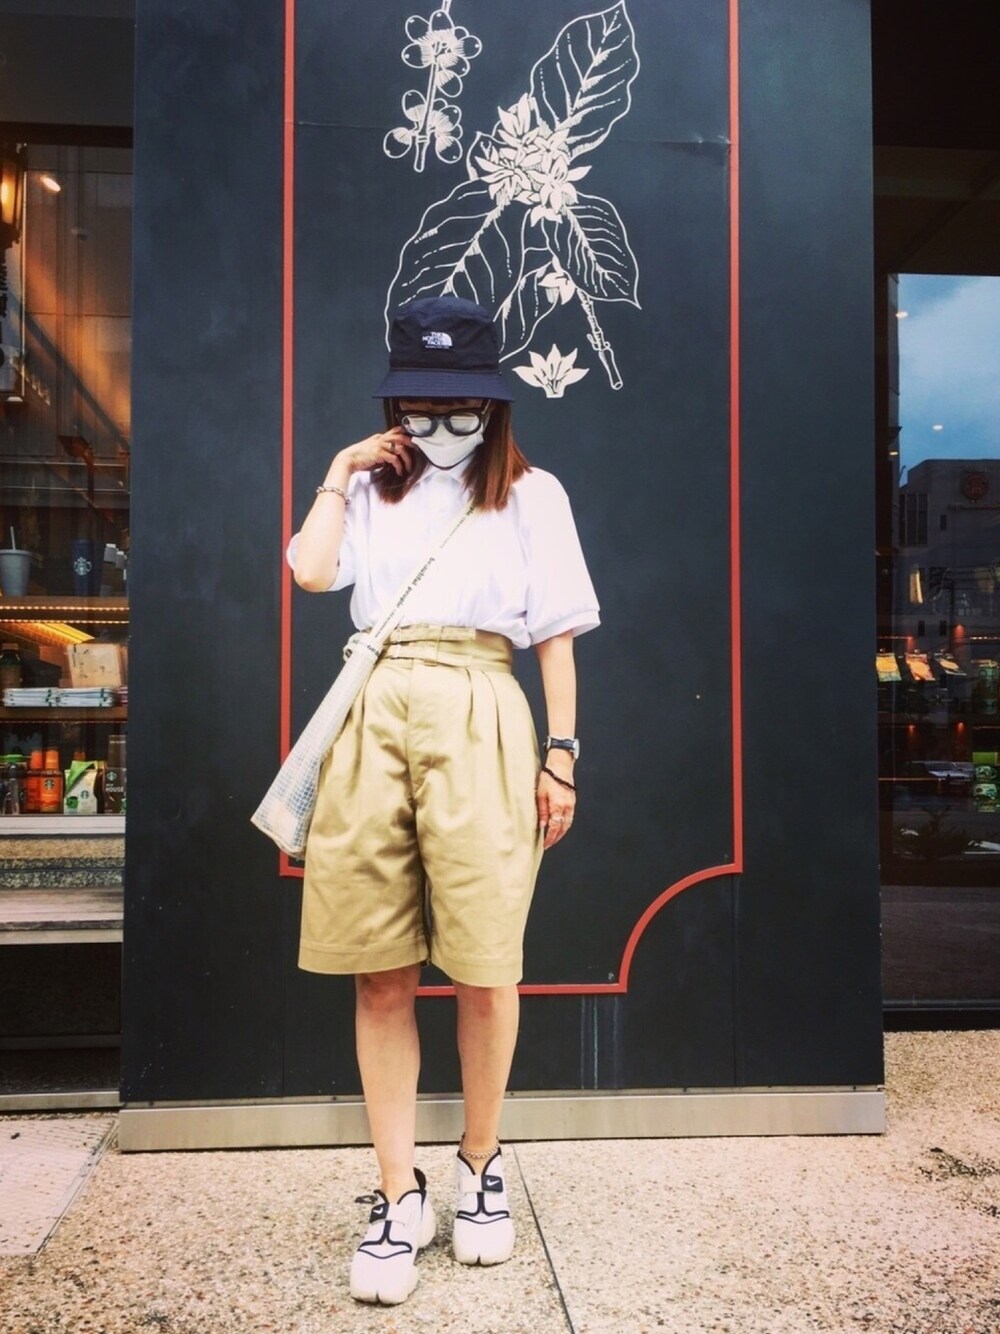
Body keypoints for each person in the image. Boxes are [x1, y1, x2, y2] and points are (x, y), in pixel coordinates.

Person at [286, 295, 599, 1305]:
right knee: (379, 968)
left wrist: (560, 755)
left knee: (485, 962)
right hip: (375, 706)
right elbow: (311, 571)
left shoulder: (533, 494)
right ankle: (396, 1191)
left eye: (457, 404)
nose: (437, 423)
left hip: (480, 702)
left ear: (493, 401)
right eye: (416, 405)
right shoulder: (369, 488)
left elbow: (555, 634)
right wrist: (338, 469)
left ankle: (479, 1163)